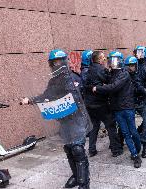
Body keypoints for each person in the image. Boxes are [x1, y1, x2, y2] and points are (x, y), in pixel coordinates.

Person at [21, 49, 91, 189]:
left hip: (76, 120)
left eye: (58, 61)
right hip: (64, 121)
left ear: (64, 62)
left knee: (78, 149)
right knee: (69, 149)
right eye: (54, 62)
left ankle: (84, 183)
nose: (56, 65)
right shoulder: (53, 81)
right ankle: (76, 177)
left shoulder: (73, 78)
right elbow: (47, 95)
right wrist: (30, 100)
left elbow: (79, 97)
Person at [92, 52, 142, 168]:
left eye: (114, 61)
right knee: (125, 133)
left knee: (133, 131)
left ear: (119, 61)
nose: (112, 63)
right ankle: (135, 155)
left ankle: (138, 149)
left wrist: (98, 88)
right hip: (118, 109)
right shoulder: (111, 74)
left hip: (127, 107)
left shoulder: (124, 74)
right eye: (110, 61)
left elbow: (114, 87)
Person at [84, 51, 123, 157]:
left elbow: (86, 85)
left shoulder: (88, 69)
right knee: (110, 125)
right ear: (99, 59)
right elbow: (110, 81)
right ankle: (116, 149)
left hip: (89, 104)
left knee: (94, 127)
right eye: (103, 57)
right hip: (100, 104)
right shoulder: (101, 69)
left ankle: (92, 150)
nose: (105, 59)